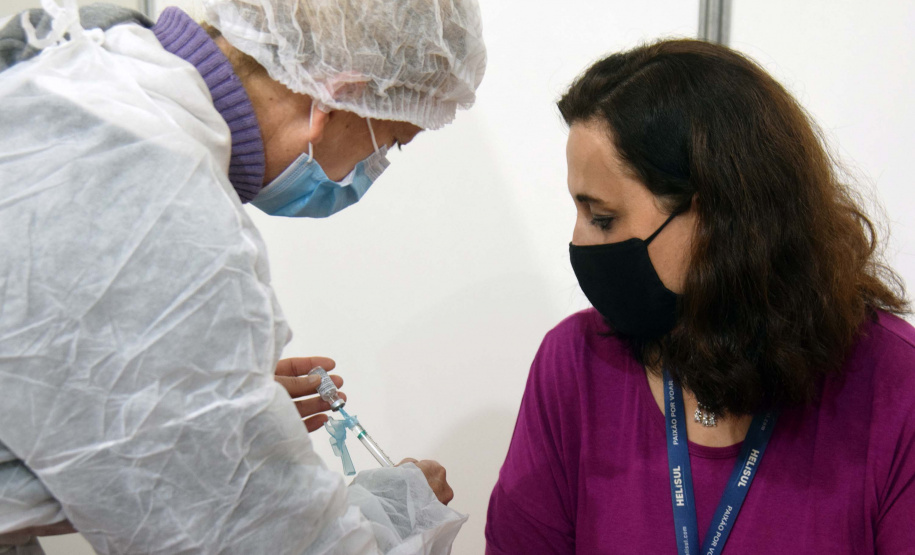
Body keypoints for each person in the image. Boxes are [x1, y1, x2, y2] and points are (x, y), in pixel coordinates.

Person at [0, 0, 485, 552]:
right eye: (390, 141)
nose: (367, 171)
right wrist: (401, 511)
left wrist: (203, 410)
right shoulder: (162, 207)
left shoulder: (76, 62)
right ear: (337, 96)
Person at [486, 39, 915, 554]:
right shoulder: (574, 365)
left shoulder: (897, 387)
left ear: (713, 216)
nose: (579, 241)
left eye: (602, 218)